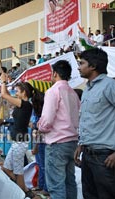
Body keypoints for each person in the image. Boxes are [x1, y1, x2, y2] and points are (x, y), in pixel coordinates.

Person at [74, 48, 115, 199]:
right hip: (88, 155)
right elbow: (89, 121)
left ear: (93, 66)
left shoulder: (112, 86)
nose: (79, 66)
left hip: (106, 158)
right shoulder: (87, 89)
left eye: (81, 63)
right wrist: (81, 144)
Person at [38, 60, 80, 199]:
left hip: (57, 143)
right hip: (72, 142)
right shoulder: (73, 93)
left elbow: (47, 120)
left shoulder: (53, 91)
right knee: (69, 182)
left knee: (56, 186)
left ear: (55, 73)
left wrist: (40, 127)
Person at [0, 71, 34, 198]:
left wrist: (3, 81)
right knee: (7, 169)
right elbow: (7, 95)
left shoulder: (25, 105)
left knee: (19, 172)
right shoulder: (22, 104)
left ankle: (22, 192)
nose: (16, 93)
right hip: (17, 142)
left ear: (24, 92)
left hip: (20, 142)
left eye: (18, 91)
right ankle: (23, 188)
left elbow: (4, 94)